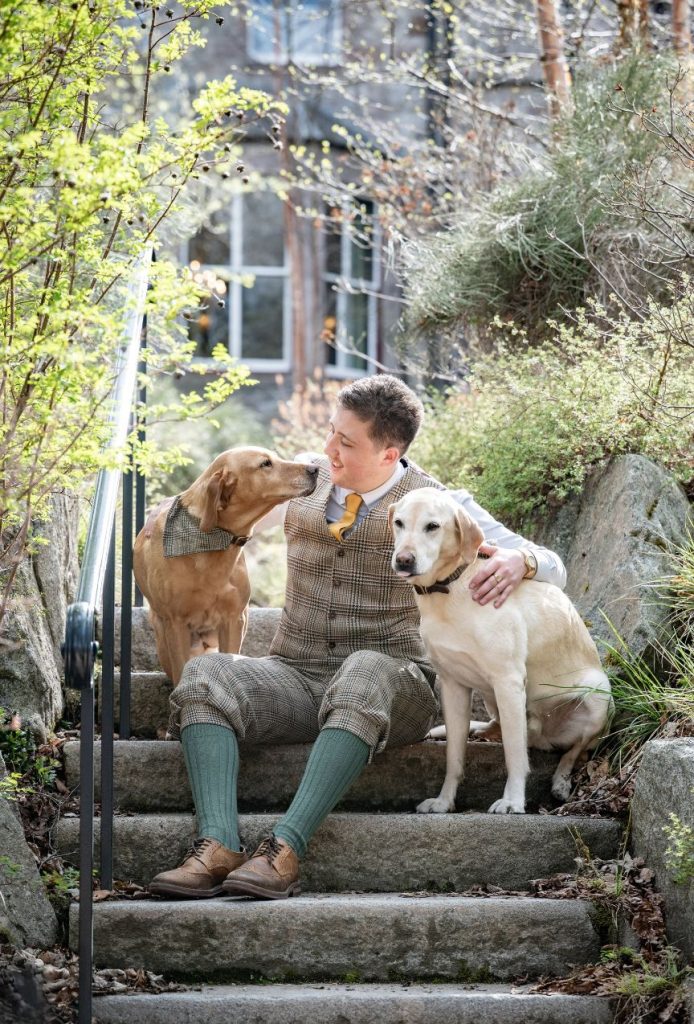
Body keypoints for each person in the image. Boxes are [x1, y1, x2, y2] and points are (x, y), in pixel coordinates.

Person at [149, 374, 566, 901]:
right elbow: (219, 509)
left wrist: (522, 559)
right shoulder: (304, 477)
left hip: (397, 683)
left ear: (389, 453)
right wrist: (167, 522)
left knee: (365, 673)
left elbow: (554, 565)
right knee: (206, 673)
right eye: (330, 434)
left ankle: (283, 848)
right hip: (295, 673)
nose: (329, 450)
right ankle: (217, 844)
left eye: (346, 442)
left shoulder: (438, 502)